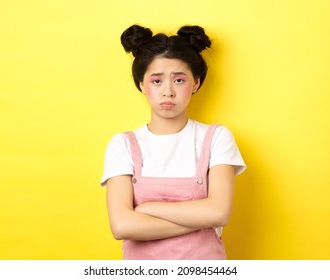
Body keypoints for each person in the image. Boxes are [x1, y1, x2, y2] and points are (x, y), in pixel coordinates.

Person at [101, 24, 246, 260]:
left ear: (196, 83)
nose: (168, 91)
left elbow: (219, 212)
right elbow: (122, 226)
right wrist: (200, 219)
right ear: (141, 85)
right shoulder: (123, 144)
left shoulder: (216, 137)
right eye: (157, 81)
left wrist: (148, 210)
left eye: (179, 80)